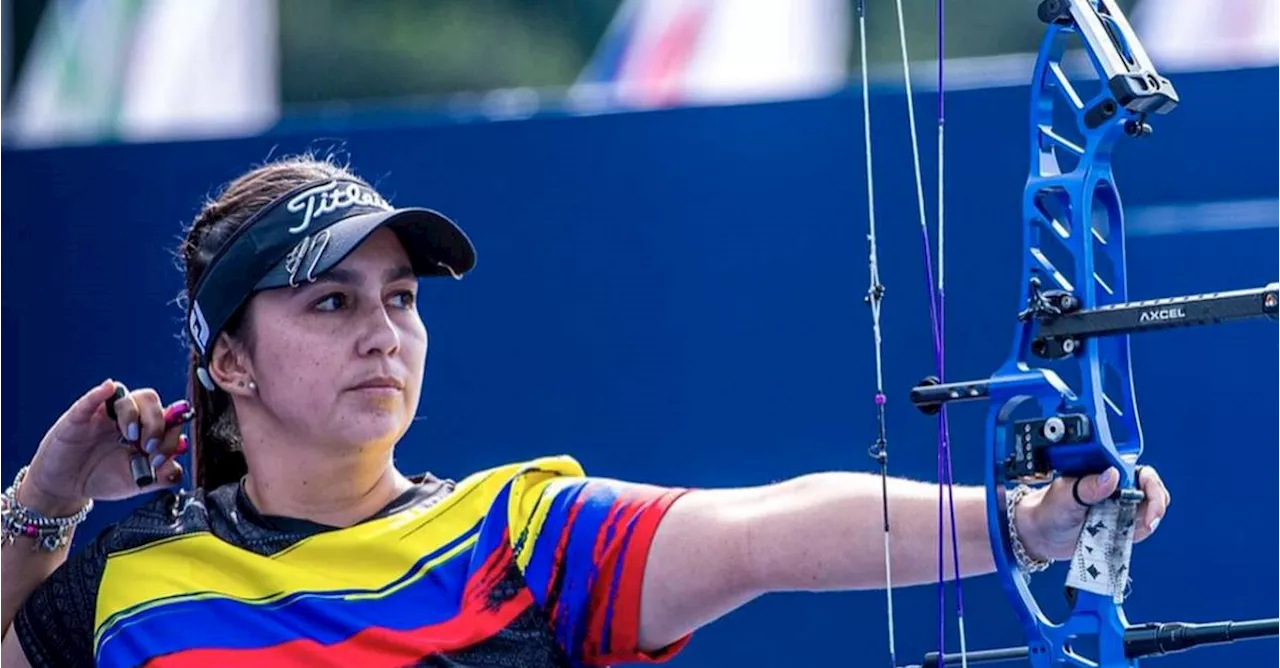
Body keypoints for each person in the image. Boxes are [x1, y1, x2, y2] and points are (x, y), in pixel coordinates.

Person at [0, 154, 1172, 668]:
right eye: (328, 301)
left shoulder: (513, 530)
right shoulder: (128, 576)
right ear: (231, 364)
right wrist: (45, 499)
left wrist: (1021, 520)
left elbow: (758, 530)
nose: (384, 330)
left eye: (400, 298)